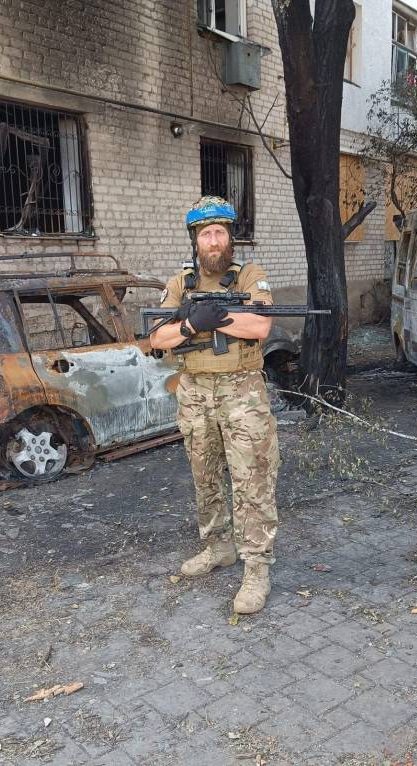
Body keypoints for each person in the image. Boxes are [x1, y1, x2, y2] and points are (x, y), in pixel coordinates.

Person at [150, 196, 280, 615]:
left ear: (230, 238)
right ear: (195, 239)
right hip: (194, 393)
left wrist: (218, 317)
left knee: (252, 479)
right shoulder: (180, 284)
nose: (213, 241)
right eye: (206, 234)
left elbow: (260, 325)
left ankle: (256, 568)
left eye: (219, 232)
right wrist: (191, 323)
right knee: (204, 475)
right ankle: (218, 546)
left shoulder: (249, 276)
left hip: (243, 392)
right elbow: (157, 337)